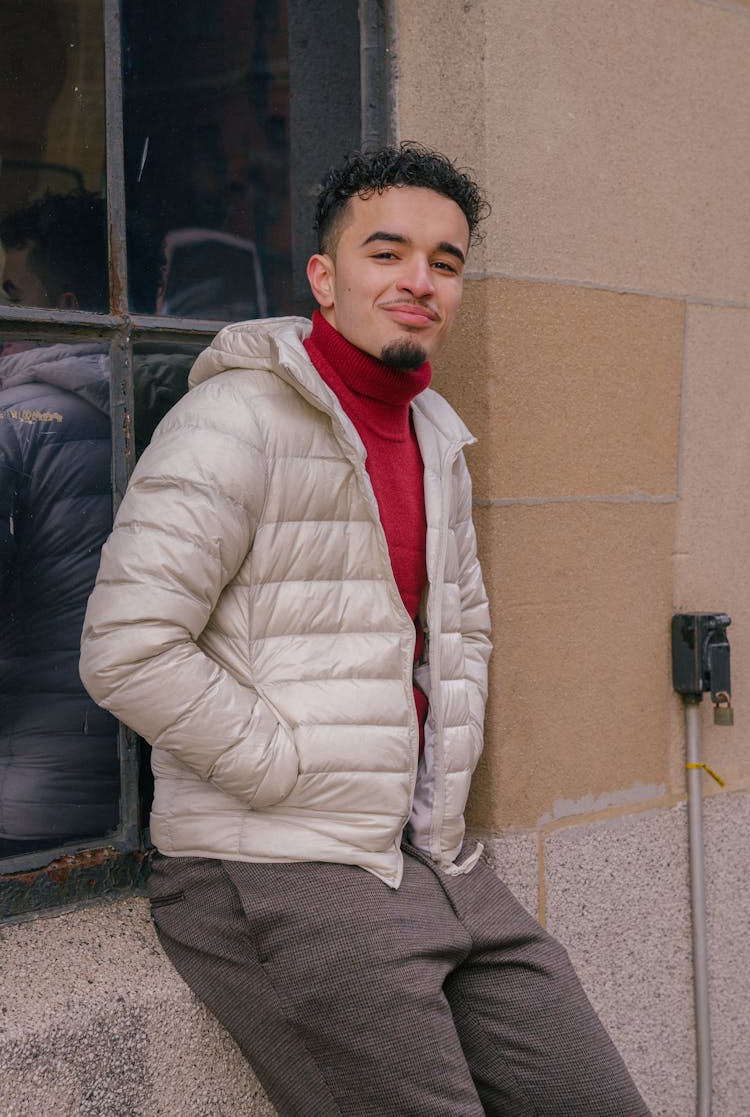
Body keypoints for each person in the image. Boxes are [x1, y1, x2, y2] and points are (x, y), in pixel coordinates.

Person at [79, 145, 651, 1116]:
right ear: (325, 275)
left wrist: (433, 797)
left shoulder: (437, 435)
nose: (418, 280)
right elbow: (128, 648)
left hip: (429, 854)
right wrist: (287, 767)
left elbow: (460, 630)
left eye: (445, 260)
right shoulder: (234, 420)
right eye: (386, 252)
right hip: (274, 866)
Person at [0, 191, 192, 856]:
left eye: (9, 289)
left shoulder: (12, 423)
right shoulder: (172, 414)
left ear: (65, 305)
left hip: (22, 799)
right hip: (142, 787)